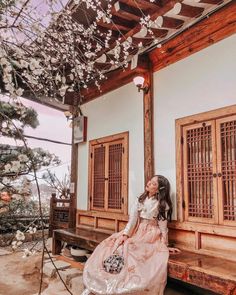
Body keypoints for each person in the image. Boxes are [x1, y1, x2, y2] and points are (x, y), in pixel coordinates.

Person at [82, 175, 181, 295]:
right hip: (137, 230)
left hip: (151, 235)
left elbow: (163, 227)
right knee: (116, 244)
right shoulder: (140, 199)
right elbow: (132, 220)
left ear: (159, 189)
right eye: (151, 181)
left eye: (154, 183)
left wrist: (164, 244)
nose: (149, 183)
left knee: (133, 251)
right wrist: (125, 234)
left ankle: (128, 285)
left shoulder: (162, 204)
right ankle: (104, 282)